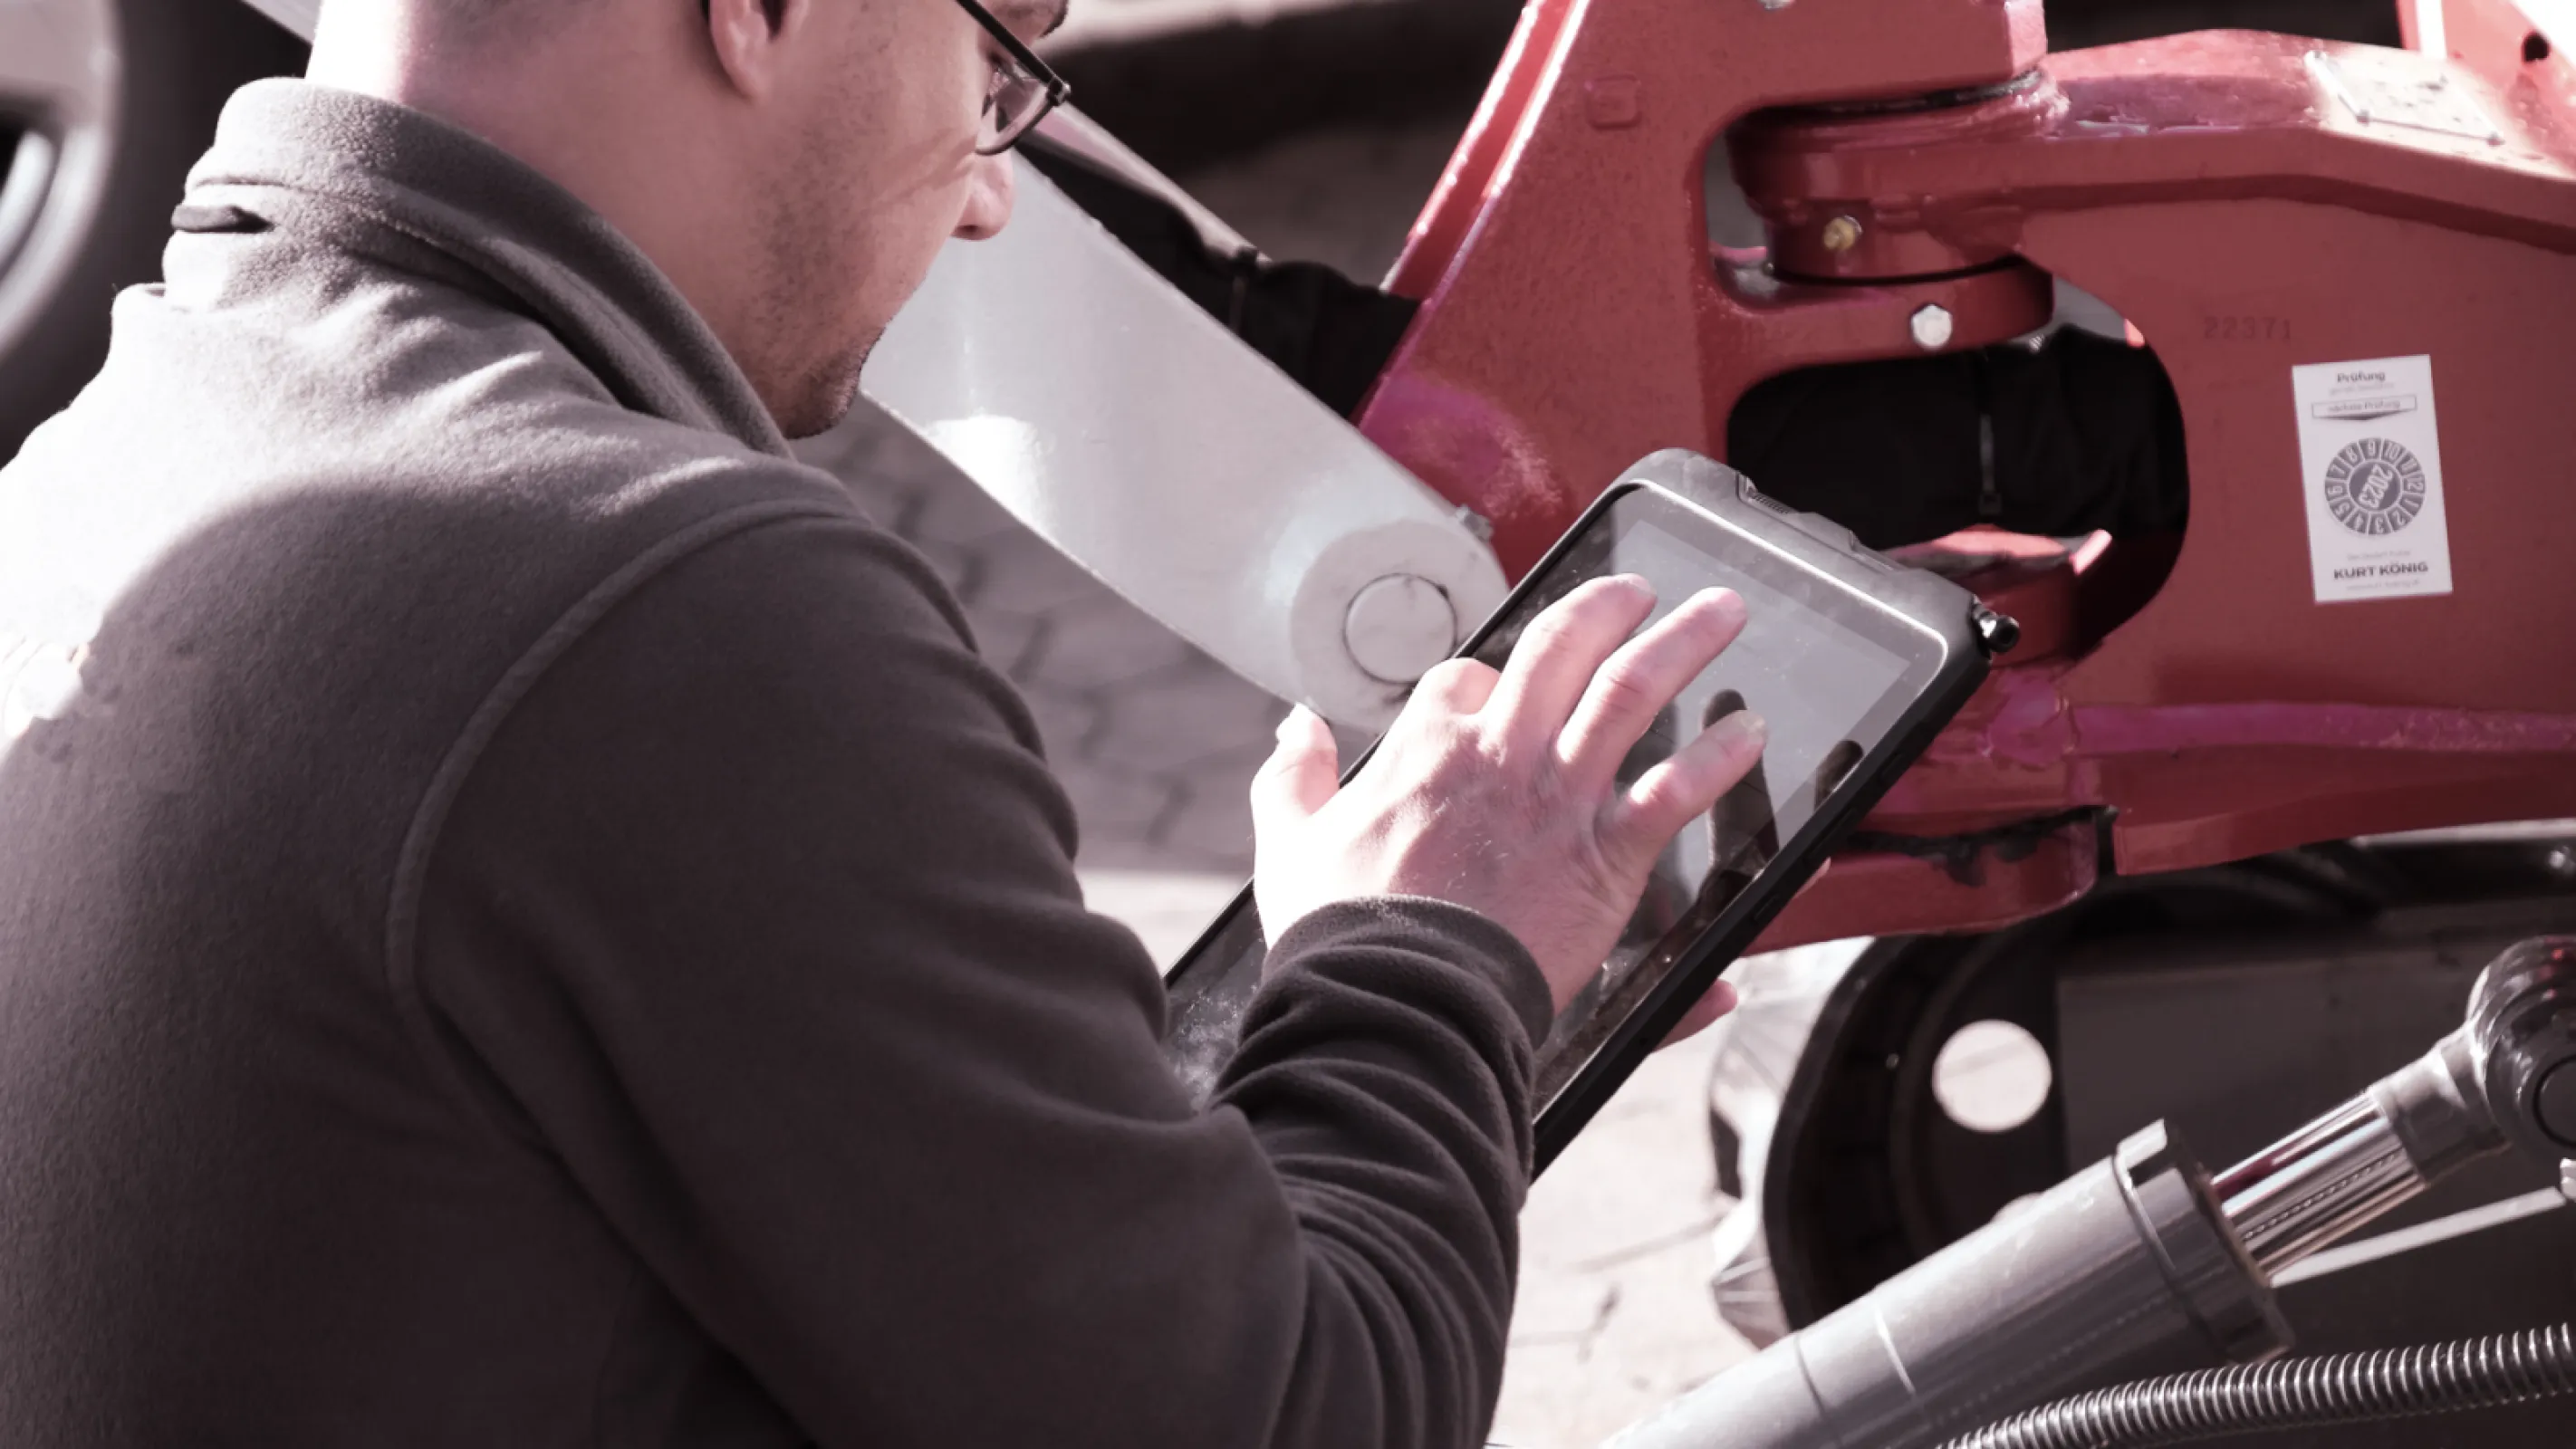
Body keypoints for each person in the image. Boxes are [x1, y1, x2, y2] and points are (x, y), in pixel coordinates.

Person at [0, 0, 1766, 1443]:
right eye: (999, 58)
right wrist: (1438, 948)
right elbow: (1308, 1415)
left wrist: (1328, 1001)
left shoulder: (107, 463)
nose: (991, 196)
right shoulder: (654, 599)